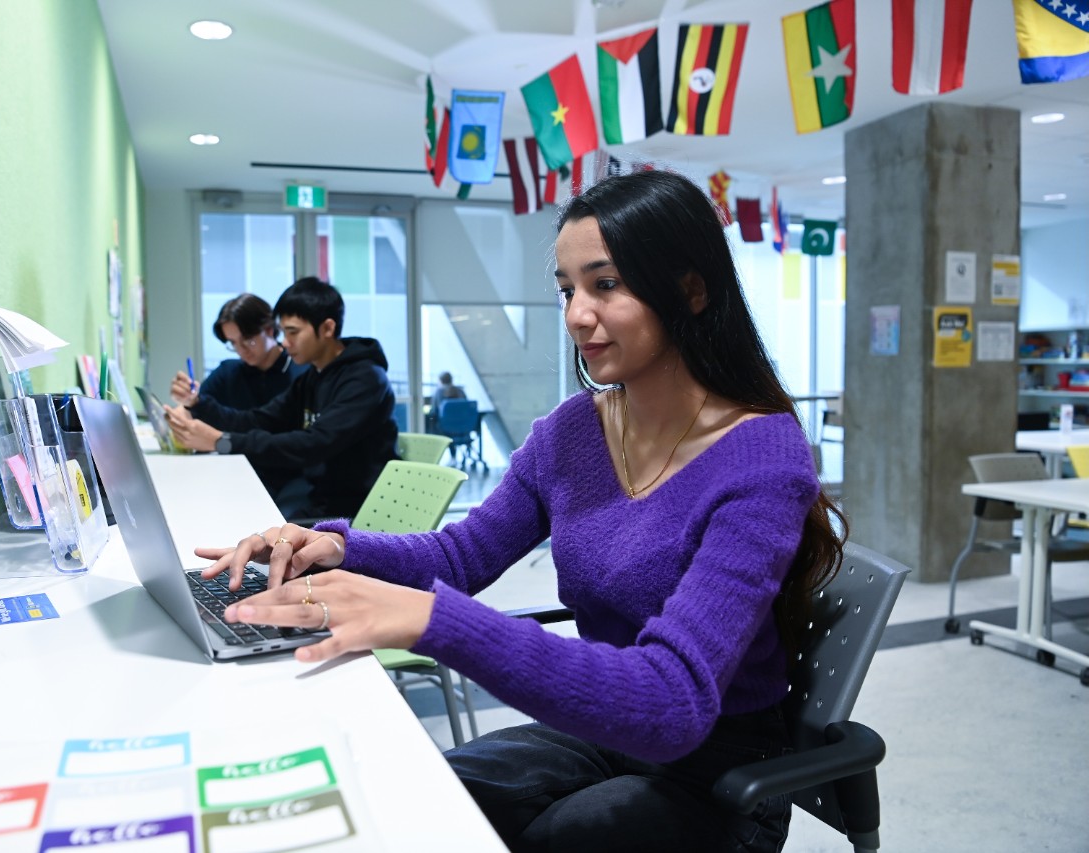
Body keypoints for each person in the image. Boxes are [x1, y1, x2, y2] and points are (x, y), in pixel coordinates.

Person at [192, 171, 847, 850]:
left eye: (605, 284)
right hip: (602, 732)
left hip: (716, 769)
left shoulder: (762, 457)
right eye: (567, 289)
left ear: (690, 288)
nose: (576, 314)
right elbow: (461, 554)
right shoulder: (572, 432)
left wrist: (434, 621)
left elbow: (672, 700)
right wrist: (339, 547)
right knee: (423, 799)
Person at [165, 277, 398, 520]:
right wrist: (198, 404)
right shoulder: (312, 378)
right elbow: (258, 420)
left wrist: (221, 441)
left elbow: (312, 444)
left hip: (354, 512)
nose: (285, 343)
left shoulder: (365, 379)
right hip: (321, 500)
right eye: (284, 332)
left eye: (293, 332)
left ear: (327, 328)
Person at [169, 293, 307, 416]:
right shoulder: (229, 372)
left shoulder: (301, 371)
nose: (241, 350)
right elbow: (187, 410)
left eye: (248, 340)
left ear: (269, 330)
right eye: (233, 343)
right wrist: (187, 399)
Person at [427, 370, 466, 436]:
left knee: (429, 421)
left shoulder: (439, 392)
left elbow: (433, 410)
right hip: (463, 428)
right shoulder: (460, 391)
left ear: (440, 381)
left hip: (444, 429)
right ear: (451, 380)